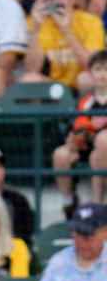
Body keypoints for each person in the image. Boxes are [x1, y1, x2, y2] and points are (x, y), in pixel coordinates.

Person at [21, 0, 104, 94]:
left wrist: (66, 31)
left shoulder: (91, 21)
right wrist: (35, 28)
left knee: (85, 79)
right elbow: (33, 69)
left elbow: (90, 66)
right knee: (29, 79)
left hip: (82, 83)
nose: (56, 1)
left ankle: (86, 112)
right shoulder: (38, 22)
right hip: (54, 84)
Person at [52, 49, 107, 213]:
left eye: (106, 69)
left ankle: (98, 204)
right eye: (97, 69)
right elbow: (80, 127)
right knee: (61, 153)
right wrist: (74, 139)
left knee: (103, 142)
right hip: (87, 144)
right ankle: (68, 200)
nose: (102, 74)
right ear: (90, 74)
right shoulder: (86, 102)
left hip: (102, 150)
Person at [29, 203, 107, 281]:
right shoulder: (60, 260)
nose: (81, 242)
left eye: (88, 237)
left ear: (105, 232)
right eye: (76, 235)